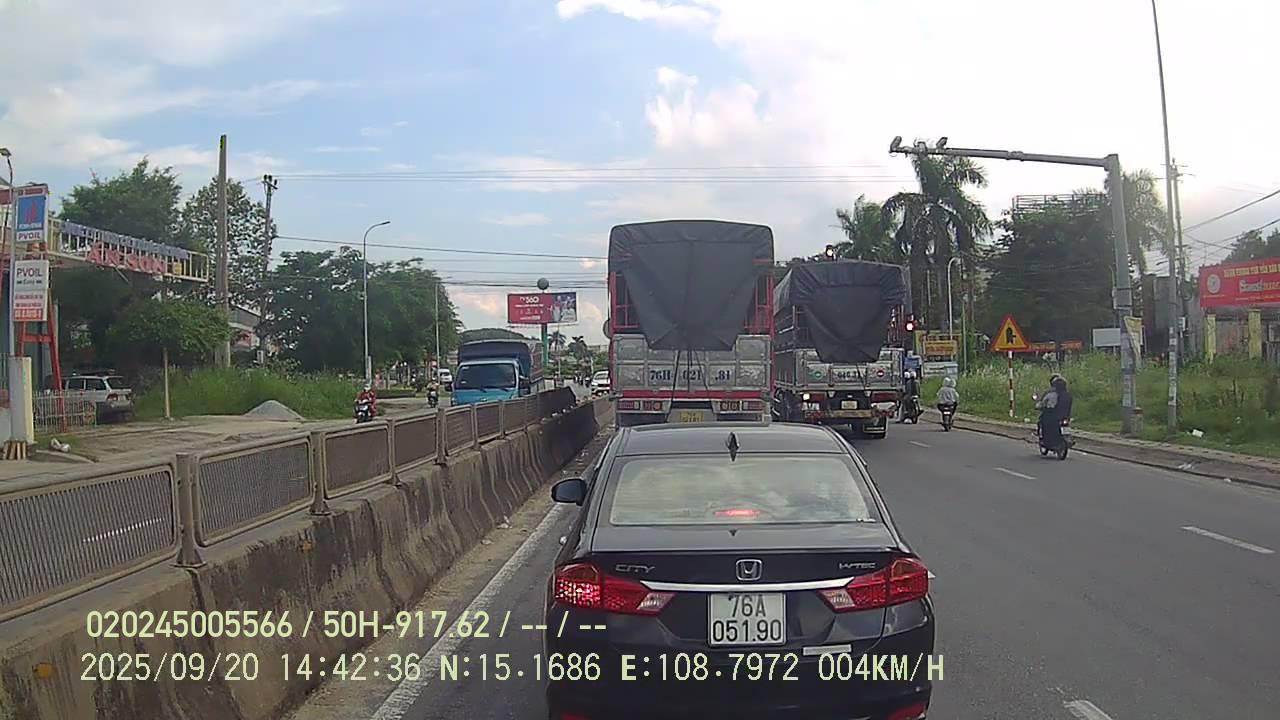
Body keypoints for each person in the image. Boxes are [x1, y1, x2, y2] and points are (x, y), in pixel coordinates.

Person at [1035, 374, 1068, 448]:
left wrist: (1039, 407)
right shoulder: (1067, 395)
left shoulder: (1051, 394)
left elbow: (1045, 404)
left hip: (1052, 416)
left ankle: (1047, 440)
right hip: (1065, 416)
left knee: (1043, 422)